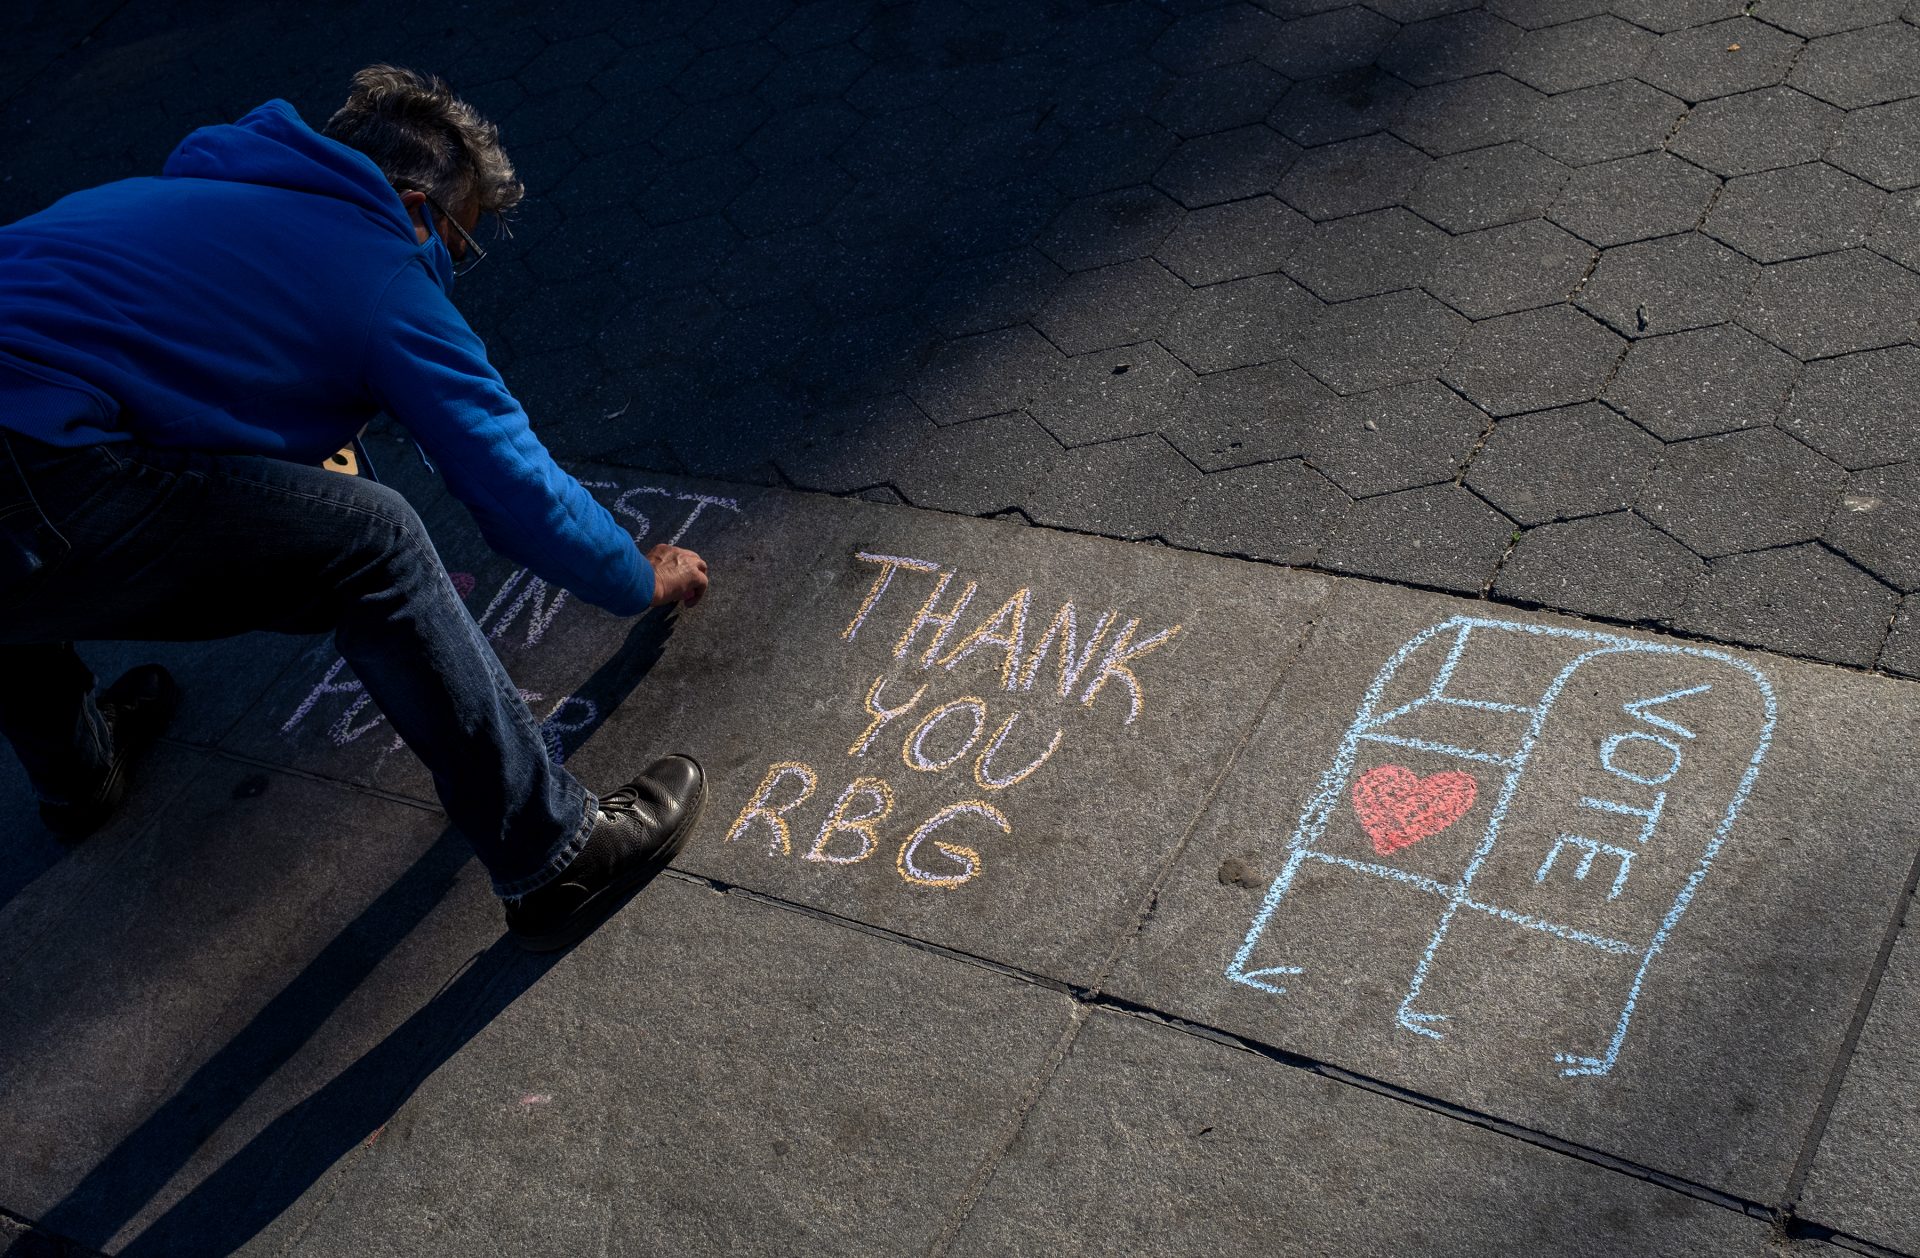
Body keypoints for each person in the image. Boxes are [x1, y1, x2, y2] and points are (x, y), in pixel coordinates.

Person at [0, 65, 707, 953]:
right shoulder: (380, 267)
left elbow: (165, 384)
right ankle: (551, 848)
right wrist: (633, 574)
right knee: (376, 541)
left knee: (19, 561)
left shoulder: (184, 197)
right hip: (25, 470)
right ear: (416, 206)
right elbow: (512, 481)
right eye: (458, 240)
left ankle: (77, 773)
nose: (448, 265)